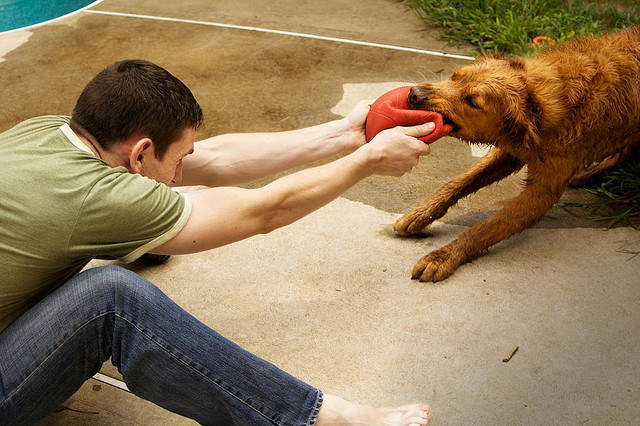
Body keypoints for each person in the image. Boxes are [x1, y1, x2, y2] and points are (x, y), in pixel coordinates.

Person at [0, 59, 436, 425]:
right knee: (111, 297)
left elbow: (214, 158)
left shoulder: (46, 132)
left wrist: (344, 135)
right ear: (139, 152)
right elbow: (263, 211)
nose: (178, 172)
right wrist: (366, 162)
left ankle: (140, 240)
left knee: (168, 203)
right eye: (174, 160)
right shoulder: (97, 197)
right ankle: (313, 418)